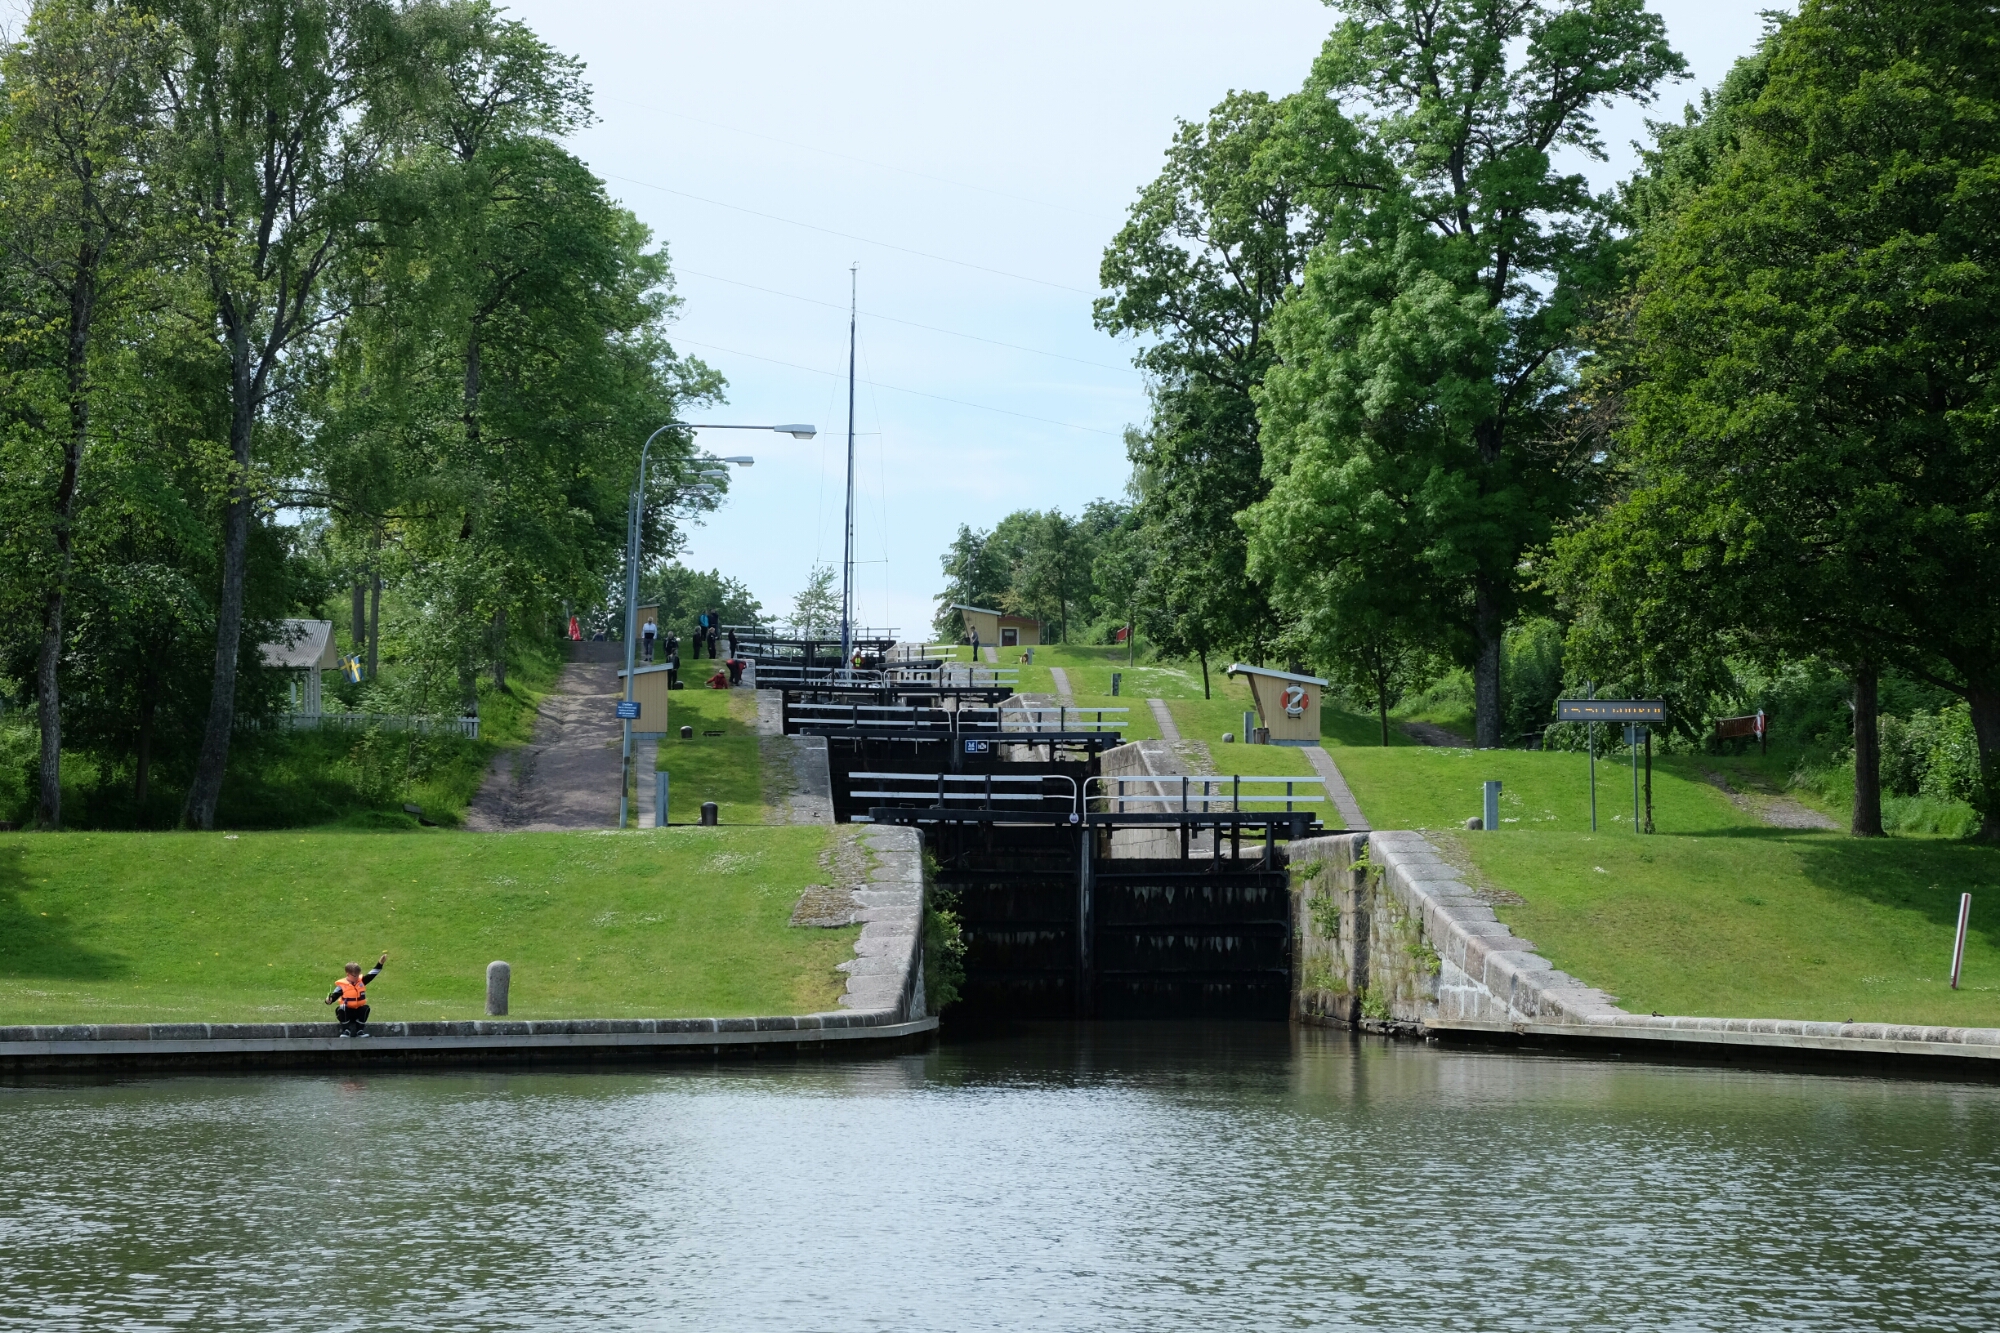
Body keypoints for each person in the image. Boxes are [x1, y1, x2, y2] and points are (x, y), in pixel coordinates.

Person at [325, 953, 388, 1037]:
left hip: (358, 1012)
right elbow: (333, 997)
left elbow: (372, 974)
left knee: (366, 1008)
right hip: (347, 1012)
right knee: (341, 1008)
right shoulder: (342, 985)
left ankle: (360, 1030)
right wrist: (329, 1000)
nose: (357, 978)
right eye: (355, 976)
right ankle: (346, 1030)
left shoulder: (361, 981)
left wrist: (380, 963)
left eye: (358, 975)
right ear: (348, 974)